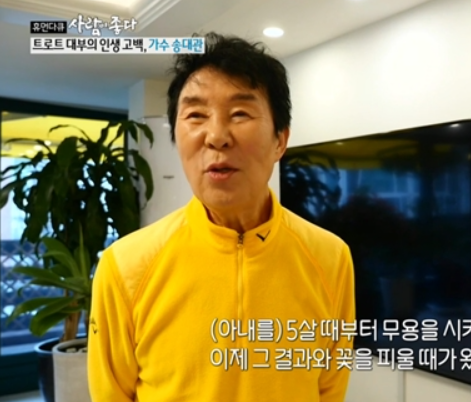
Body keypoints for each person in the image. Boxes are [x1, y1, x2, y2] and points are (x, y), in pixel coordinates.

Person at [87, 31, 356, 402]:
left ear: (280, 140)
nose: (216, 136)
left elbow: (329, 388)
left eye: (240, 113)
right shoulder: (125, 266)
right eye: (196, 115)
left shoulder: (331, 257)